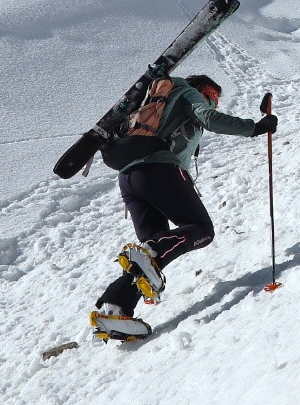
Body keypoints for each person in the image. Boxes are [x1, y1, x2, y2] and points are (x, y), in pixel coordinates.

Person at [92, 73, 277, 328]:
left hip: (129, 179)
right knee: (202, 230)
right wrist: (254, 128)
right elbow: (208, 118)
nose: (212, 103)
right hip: (159, 171)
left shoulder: (157, 104)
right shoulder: (187, 92)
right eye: (211, 97)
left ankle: (115, 309)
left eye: (215, 101)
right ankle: (145, 260)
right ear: (200, 89)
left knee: (152, 256)